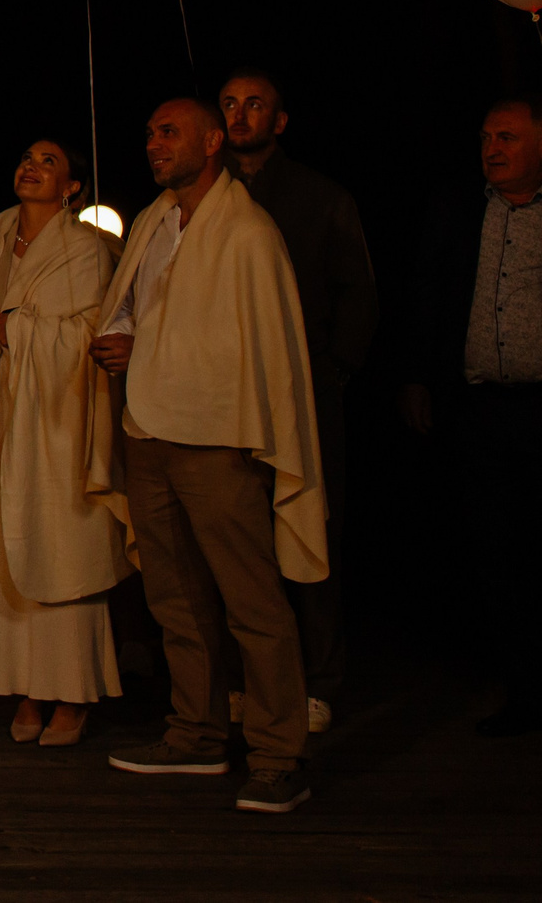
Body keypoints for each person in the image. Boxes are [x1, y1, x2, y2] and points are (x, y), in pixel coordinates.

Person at [87, 98, 326, 813]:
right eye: (151, 131)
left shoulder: (247, 231)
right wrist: (121, 336)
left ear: (213, 141)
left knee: (250, 599)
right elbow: (141, 305)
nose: (154, 143)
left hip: (218, 437)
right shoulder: (159, 219)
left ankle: (280, 753)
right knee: (175, 595)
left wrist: (143, 347)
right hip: (150, 429)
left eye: (170, 132)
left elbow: (254, 347)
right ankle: (195, 730)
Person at [0, 139, 127, 746]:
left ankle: (73, 694)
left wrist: (11, 326)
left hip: (65, 419)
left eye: (49, 162)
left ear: (72, 187)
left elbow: (95, 331)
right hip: (6, 415)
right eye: (26, 158)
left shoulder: (89, 249)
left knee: (65, 546)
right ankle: (26, 689)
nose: (31, 167)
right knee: (14, 545)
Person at [219, 67, 374, 734]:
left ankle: (318, 681)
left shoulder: (318, 196)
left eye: (255, 103)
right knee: (236, 542)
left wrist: (331, 372)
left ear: (279, 119)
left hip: (301, 394)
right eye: (228, 103)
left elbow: (357, 291)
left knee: (307, 530)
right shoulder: (203, 198)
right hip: (222, 398)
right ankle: (250, 679)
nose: (240, 113)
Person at [399, 93, 542, 738]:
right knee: (496, 554)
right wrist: (421, 378)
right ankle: (524, 693)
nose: (493, 149)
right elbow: (429, 294)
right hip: (481, 408)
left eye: (508, 137)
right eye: (487, 137)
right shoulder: (459, 208)